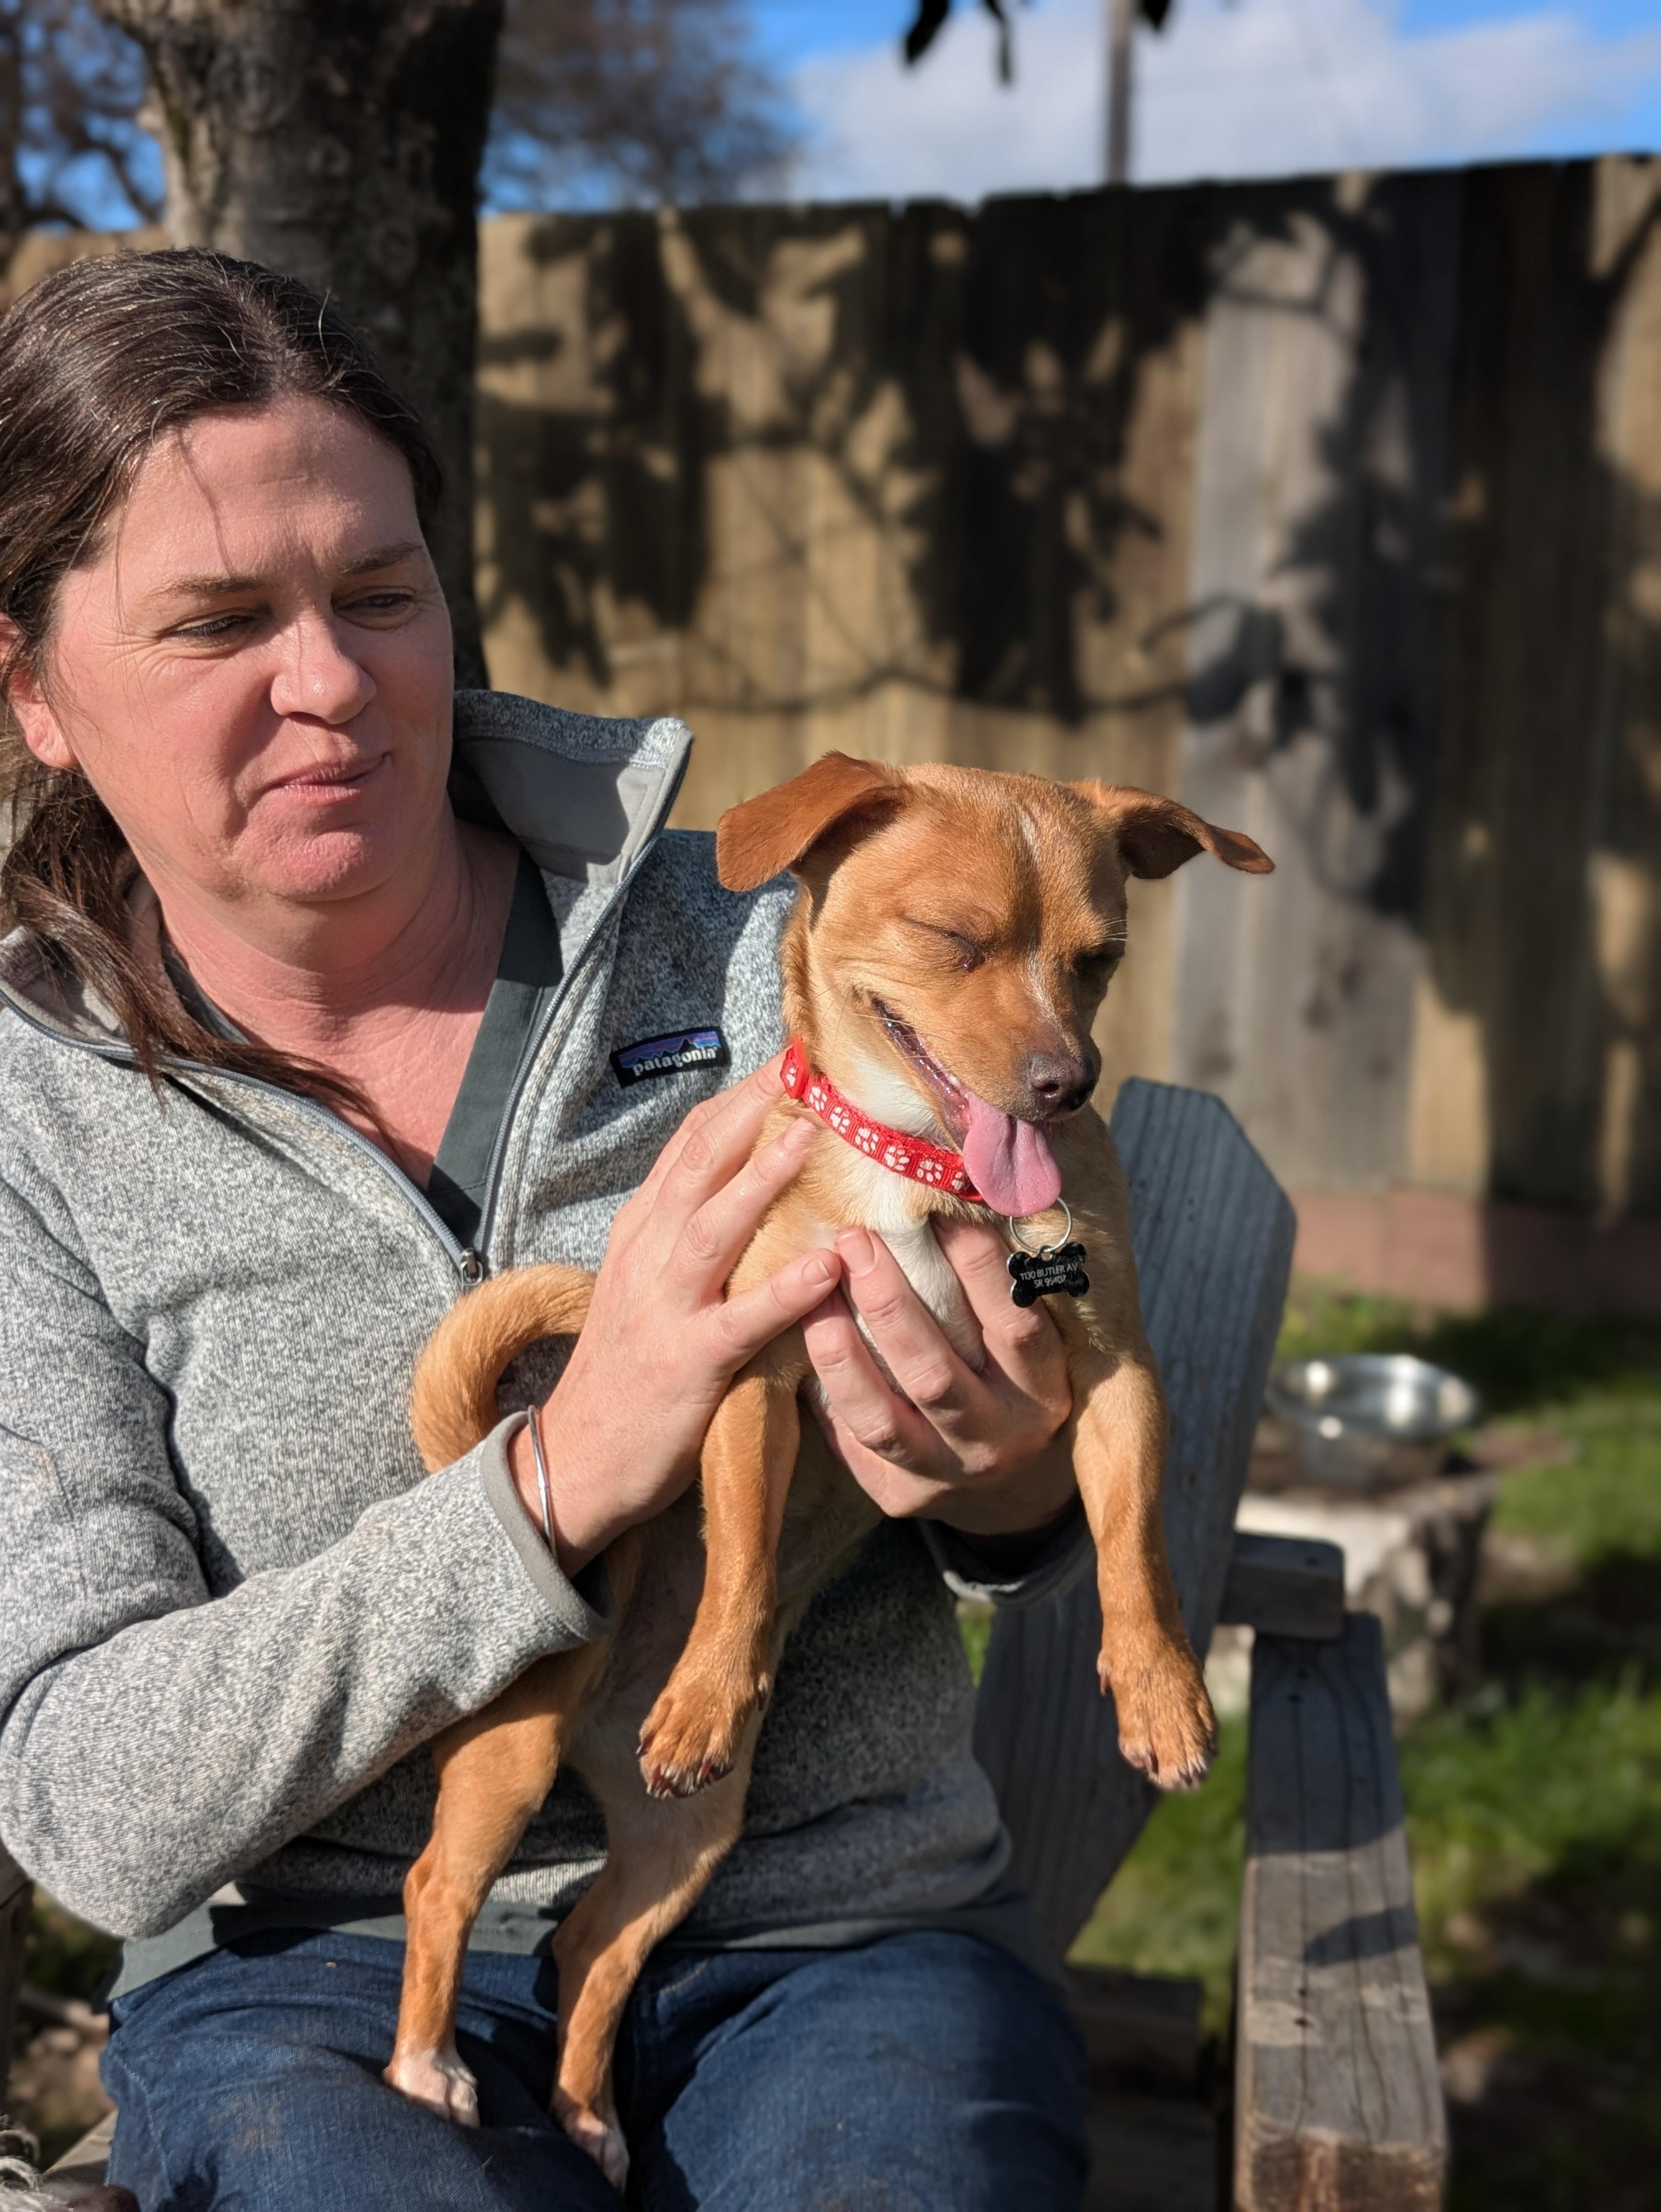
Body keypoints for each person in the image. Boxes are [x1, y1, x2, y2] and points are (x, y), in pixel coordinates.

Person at [0, 248, 1090, 2211]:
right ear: (34, 690)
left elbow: (1059, 1262)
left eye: (382, 592)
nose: (329, 677)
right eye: (220, 619)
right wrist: (557, 1478)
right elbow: (88, 1792)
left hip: (837, 1943)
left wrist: (1016, 1459)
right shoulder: (32, 1125)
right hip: (317, 1980)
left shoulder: (774, 943)